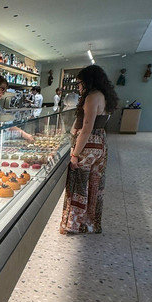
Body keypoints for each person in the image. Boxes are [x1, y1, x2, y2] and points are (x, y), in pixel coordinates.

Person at [60, 65, 119, 234]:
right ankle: (90, 223)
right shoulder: (105, 96)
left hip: (88, 144)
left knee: (79, 183)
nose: (79, 87)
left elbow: (86, 128)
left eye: (80, 83)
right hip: (100, 142)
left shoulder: (92, 97)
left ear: (88, 81)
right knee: (95, 184)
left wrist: (75, 153)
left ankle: (74, 224)